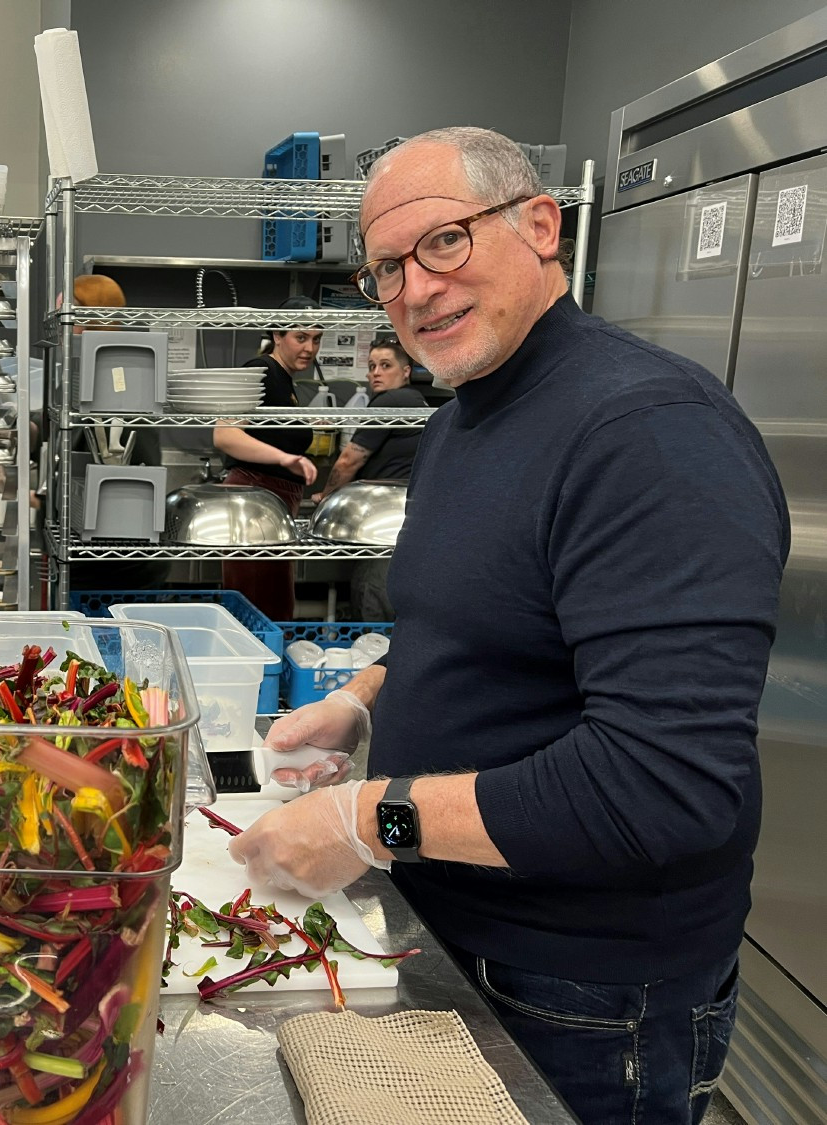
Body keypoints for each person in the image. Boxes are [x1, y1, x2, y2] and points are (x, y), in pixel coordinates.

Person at [229, 126, 787, 1124]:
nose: (415, 289)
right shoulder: (463, 419)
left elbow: (662, 787)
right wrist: (361, 704)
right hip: (458, 931)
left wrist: (369, 819)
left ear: (540, 226)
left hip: (585, 990)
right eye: (387, 269)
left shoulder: (647, 433)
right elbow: (483, 623)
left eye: (444, 242)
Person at [212, 297, 321, 620]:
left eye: (316, 339)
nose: (310, 348)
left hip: (270, 503)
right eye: (300, 337)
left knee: (272, 604)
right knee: (260, 608)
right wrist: (285, 457)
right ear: (277, 335)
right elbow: (225, 434)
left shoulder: (284, 380)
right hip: (255, 500)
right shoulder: (261, 369)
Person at [65, 274, 168, 592]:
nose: (67, 324)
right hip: (95, 554)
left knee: (130, 641)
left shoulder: (119, 384)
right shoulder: (83, 378)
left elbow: (129, 468)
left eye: (74, 315)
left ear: (95, 319)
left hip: (123, 562)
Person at [313, 338, 428, 621]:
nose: (375, 373)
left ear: (405, 371)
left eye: (385, 365)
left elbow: (350, 459)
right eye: (372, 366)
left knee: (373, 598)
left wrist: (325, 497)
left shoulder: (391, 402)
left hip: (382, 523)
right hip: (407, 521)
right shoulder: (416, 401)